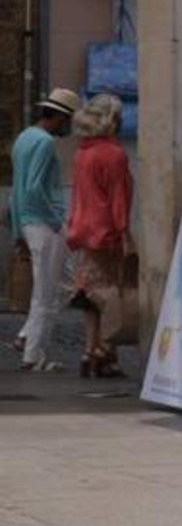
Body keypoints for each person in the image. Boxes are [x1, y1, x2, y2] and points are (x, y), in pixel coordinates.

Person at [8, 88, 77, 372]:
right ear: (60, 117)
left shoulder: (24, 138)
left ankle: (27, 336)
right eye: (68, 119)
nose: (69, 126)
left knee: (67, 284)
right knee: (47, 292)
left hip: (29, 221)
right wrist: (55, 220)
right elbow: (35, 186)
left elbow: (17, 190)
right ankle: (33, 355)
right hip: (44, 223)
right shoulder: (45, 143)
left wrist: (17, 231)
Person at [66, 94, 135, 378]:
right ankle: (105, 352)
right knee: (111, 294)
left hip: (84, 228)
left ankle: (89, 350)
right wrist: (125, 233)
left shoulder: (84, 152)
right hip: (106, 232)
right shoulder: (113, 154)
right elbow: (119, 199)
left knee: (92, 296)